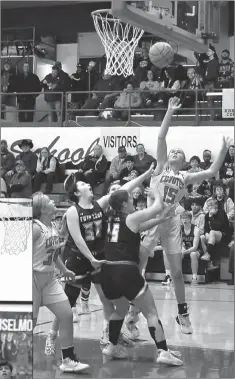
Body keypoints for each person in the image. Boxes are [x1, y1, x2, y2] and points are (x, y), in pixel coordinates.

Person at [141, 96, 233, 334]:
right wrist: (170, 110)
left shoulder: (185, 177)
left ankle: (182, 312)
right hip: (151, 219)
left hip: (170, 222)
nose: (176, 152)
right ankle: (131, 315)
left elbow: (213, 170)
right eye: (174, 151)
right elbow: (161, 137)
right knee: (137, 267)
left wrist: (222, 149)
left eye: (180, 152)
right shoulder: (160, 167)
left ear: (183, 162)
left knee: (178, 273)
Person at [45, 166, 155, 354]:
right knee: (68, 302)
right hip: (79, 259)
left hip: (99, 258)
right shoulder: (72, 211)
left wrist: (145, 175)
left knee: (106, 299)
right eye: (83, 184)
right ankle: (51, 334)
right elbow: (78, 239)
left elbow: (124, 189)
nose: (88, 184)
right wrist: (91, 258)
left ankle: (107, 334)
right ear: (77, 192)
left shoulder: (100, 204)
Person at [100, 186, 183, 365]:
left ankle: (111, 346)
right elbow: (157, 207)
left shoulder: (110, 218)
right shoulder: (131, 217)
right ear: (124, 203)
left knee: (120, 309)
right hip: (125, 270)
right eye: (130, 198)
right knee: (151, 312)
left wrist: (160, 219)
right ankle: (163, 351)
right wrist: (156, 193)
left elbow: (141, 226)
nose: (133, 200)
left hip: (108, 272)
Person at [32, 192, 90, 373]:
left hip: (49, 279)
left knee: (66, 315)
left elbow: (54, 254)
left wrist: (64, 270)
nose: (53, 200)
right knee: (28, 324)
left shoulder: (52, 226)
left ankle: (68, 359)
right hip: (32, 279)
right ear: (42, 209)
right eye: (49, 200)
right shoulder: (35, 228)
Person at [200, 199, 230, 264]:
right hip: (212, 236)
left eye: (210, 205)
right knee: (202, 237)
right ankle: (208, 258)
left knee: (212, 232)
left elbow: (218, 227)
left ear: (216, 206)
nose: (208, 207)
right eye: (208, 206)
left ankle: (208, 253)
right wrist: (206, 233)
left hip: (223, 235)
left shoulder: (221, 213)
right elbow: (206, 228)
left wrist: (211, 217)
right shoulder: (207, 215)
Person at [180, 211, 201, 286]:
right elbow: (180, 243)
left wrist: (184, 252)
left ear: (190, 219)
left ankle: (194, 278)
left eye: (186, 218)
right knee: (177, 254)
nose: (184, 220)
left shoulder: (196, 229)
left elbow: (195, 247)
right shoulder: (180, 229)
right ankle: (178, 277)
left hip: (197, 250)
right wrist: (182, 249)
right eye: (182, 218)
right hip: (186, 249)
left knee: (193, 254)